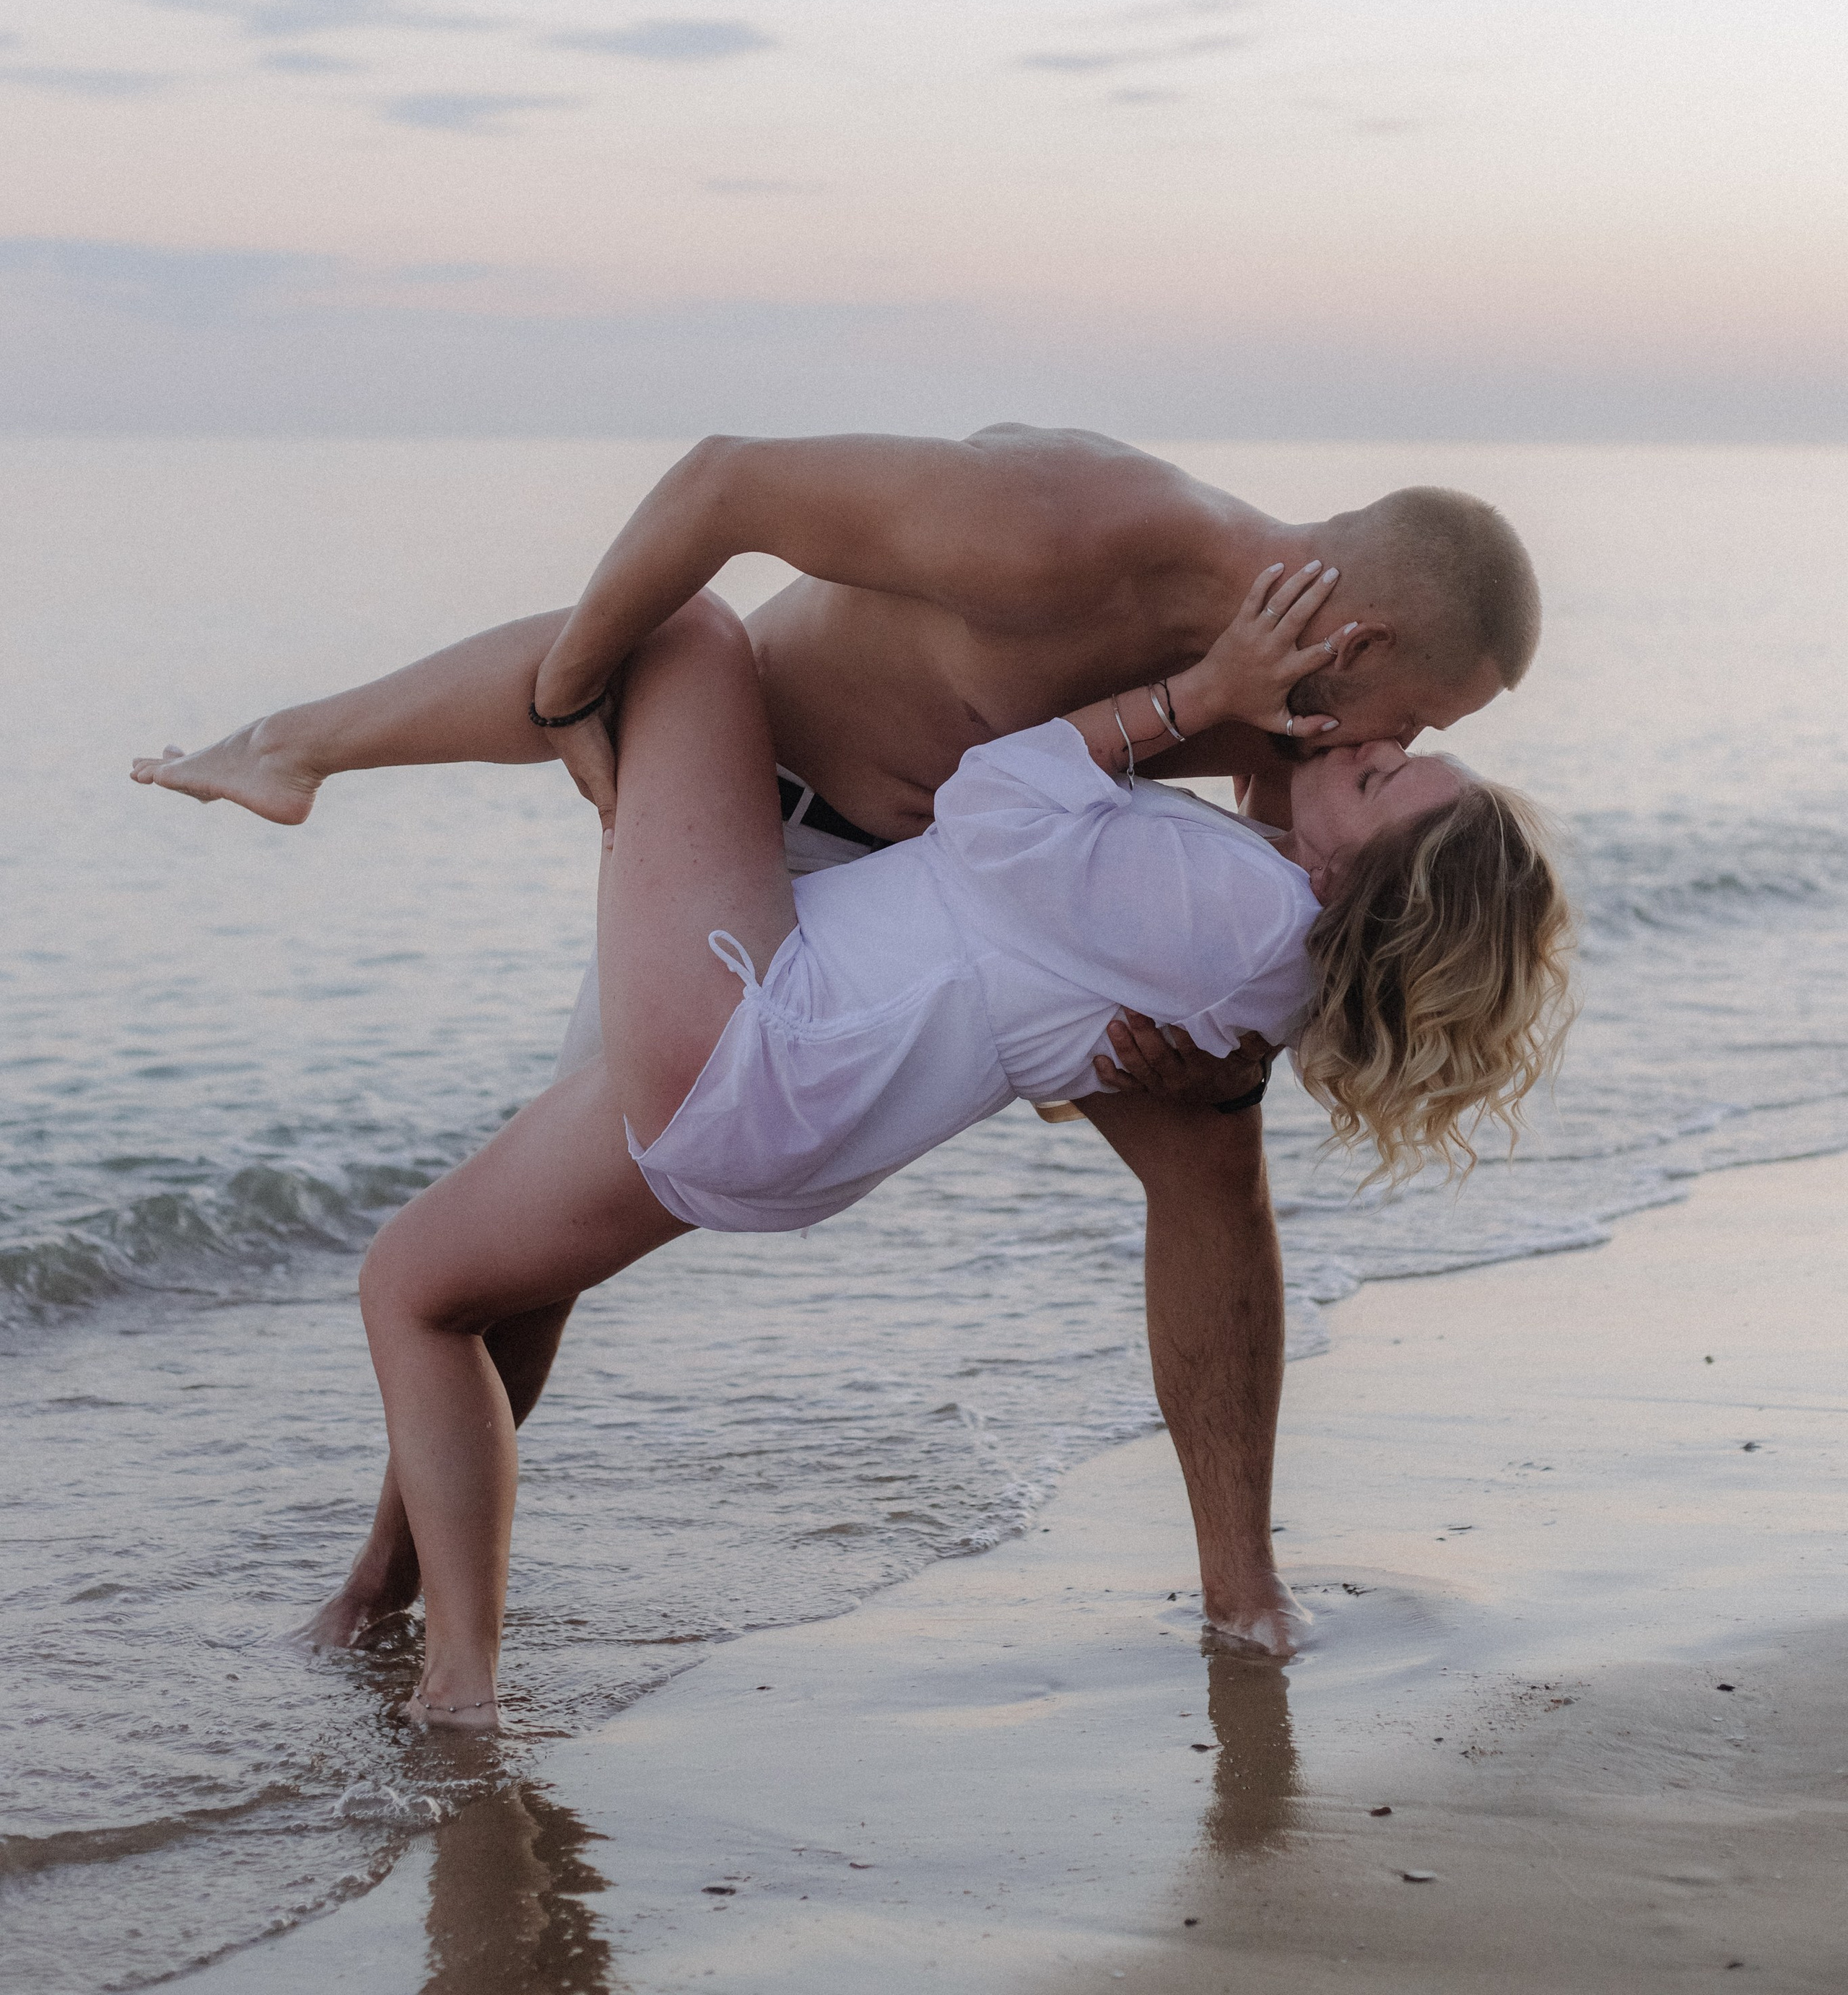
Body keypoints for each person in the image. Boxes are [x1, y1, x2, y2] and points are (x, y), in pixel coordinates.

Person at [133, 425, 1543, 1658]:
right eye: (1414, 718)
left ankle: (1242, 1597)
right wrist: (574, 697)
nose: (1400, 738)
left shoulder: (1285, 709)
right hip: (762, 833)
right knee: (532, 1258)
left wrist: (1153, 1036)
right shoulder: (1059, 522)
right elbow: (721, 481)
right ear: (1360, 649)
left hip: (953, 915)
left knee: (1210, 1153)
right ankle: (385, 1590)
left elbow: (1273, 902)